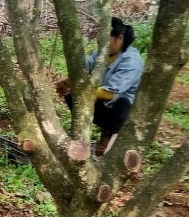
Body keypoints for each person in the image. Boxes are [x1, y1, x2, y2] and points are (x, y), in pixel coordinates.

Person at [57, 16, 144, 157]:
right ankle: (85, 133)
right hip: (102, 104)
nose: (100, 41)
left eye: (105, 38)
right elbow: (82, 71)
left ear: (119, 39)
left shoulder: (132, 61)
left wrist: (80, 89)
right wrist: (68, 82)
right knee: (71, 96)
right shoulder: (101, 54)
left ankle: (110, 136)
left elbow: (110, 93)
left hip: (120, 110)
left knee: (123, 103)